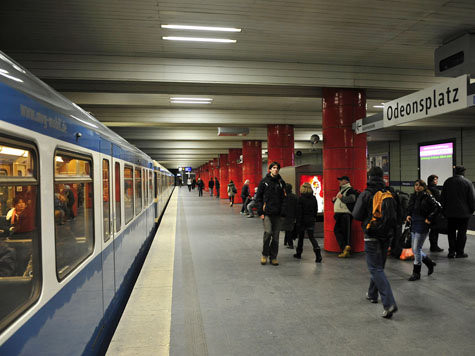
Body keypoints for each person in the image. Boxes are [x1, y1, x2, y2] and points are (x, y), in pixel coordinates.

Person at [352, 167, 398, 319]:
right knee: (379, 267)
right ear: (382, 177)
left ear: (370, 177)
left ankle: (389, 303)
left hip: (371, 234)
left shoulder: (366, 193)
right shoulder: (390, 193)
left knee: (375, 269)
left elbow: (357, 215)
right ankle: (372, 294)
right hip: (386, 235)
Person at [406, 180, 439, 281]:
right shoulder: (413, 196)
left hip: (422, 224)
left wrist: (429, 218)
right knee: (415, 249)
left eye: (420, 185)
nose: (417, 187)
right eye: (416, 185)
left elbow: (438, 207)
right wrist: (408, 215)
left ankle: (416, 273)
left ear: (423, 187)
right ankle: (429, 262)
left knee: (416, 249)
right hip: (414, 223)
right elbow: (410, 208)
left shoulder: (428, 196)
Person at [255, 161, 286, 266]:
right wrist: (260, 212)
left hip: (278, 214)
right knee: (268, 233)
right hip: (267, 213)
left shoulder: (281, 183)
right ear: (270, 169)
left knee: (276, 236)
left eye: (277, 168)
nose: (275, 169)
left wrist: (283, 212)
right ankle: (264, 254)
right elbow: (258, 198)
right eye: (273, 167)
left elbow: (284, 198)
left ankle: (274, 257)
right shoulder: (264, 182)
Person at [441, 165, 475, 259]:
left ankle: (451, 252)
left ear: (455, 172)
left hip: (450, 213)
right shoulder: (468, 182)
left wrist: (444, 211)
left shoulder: (448, 181)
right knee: (462, 233)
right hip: (464, 214)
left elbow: (443, 198)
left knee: (451, 233)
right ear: (463, 172)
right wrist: (471, 210)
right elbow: (472, 199)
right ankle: (460, 252)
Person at [294, 183, 322, 262]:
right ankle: (318, 253)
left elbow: (299, 212)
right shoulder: (313, 198)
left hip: (303, 221)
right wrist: (313, 218)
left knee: (301, 238)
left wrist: (298, 222)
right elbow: (316, 209)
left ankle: (299, 253)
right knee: (311, 237)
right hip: (311, 220)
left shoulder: (301, 199)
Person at [332, 175, 357, 258]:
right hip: (341, 214)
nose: (339, 182)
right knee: (341, 231)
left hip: (345, 215)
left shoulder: (350, 190)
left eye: (341, 180)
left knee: (343, 232)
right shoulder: (342, 190)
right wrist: (335, 200)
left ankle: (345, 248)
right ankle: (345, 248)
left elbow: (352, 199)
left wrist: (342, 198)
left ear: (346, 181)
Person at [427, 174, 443, 252]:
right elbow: (439, 201)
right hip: (434, 212)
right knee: (434, 230)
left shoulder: (426, 189)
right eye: (435, 180)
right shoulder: (435, 190)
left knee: (431, 230)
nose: (436, 181)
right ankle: (434, 246)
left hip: (428, 212)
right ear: (431, 181)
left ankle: (433, 245)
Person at [282, 183, 298, 249]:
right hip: (293, 215)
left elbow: (283, 207)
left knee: (288, 229)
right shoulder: (295, 196)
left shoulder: (285, 197)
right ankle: (285, 241)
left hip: (286, 216)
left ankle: (290, 243)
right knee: (289, 229)